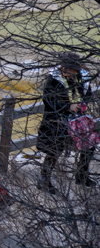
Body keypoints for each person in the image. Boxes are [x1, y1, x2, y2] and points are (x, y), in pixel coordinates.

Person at [39, 55, 93, 190]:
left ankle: (82, 174)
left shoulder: (82, 78)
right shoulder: (53, 79)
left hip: (77, 118)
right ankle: (44, 180)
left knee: (89, 143)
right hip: (56, 119)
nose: (66, 71)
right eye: (65, 68)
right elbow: (48, 100)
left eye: (70, 69)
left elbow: (88, 93)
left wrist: (81, 103)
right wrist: (68, 107)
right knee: (54, 149)